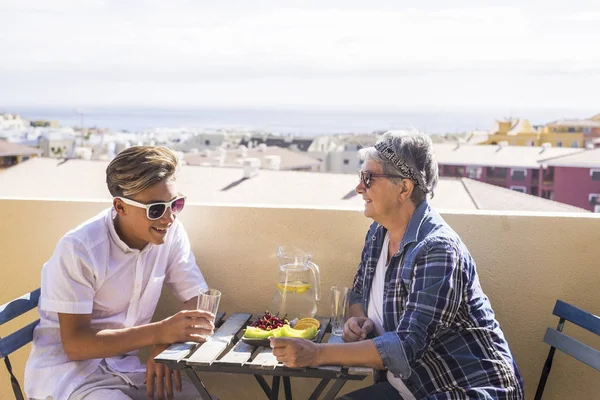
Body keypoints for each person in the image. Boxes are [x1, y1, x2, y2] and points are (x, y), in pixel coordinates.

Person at [270, 132, 525, 399]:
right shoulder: (378, 233)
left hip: (464, 389)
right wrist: (360, 321)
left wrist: (317, 354)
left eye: (368, 178)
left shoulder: (437, 250)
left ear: (404, 188)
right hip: (409, 389)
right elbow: (359, 293)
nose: (359, 188)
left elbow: (405, 347)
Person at [25, 146, 214, 400]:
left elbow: (199, 301)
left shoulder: (171, 234)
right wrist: (161, 332)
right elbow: (76, 345)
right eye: (156, 209)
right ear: (120, 207)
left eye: (175, 203)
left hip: (129, 370)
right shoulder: (80, 249)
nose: (169, 217)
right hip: (69, 378)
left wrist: (165, 345)